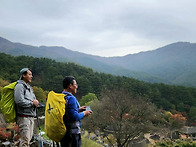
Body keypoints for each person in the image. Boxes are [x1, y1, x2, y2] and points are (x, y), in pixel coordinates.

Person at [60, 76, 92, 147]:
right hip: (73, 134)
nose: (76, 87)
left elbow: (66, 112)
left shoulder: (61, 96)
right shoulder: (71, 98)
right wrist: (84, 113)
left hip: (63, 132)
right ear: (70, 86)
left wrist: (78, 109)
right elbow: (74, 116)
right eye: (75, 85)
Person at [14, 68, 39, 147]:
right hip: (23, 117)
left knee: (28, 139)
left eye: (31, 74)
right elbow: (19, 101)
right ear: (23, 75)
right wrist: (32, 103)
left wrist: (36, 102)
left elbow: (33, 99)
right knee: (25, 140)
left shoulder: (29, 87)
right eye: (29, 74)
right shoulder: (19, 86)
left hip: (30, 116)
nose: (31, 76)